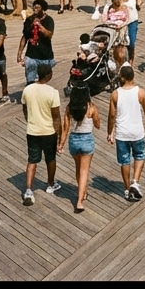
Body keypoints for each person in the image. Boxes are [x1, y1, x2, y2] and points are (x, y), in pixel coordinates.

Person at [19, 61, 62, 203]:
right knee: (50, 159)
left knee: (32, 160)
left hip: (32, 131)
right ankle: (51, 184)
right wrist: (60, 135)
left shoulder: (27, 90)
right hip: (48, 132)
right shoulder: (53, 92)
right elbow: (56, 117)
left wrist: (29, 119)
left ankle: (28, 190)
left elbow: (24, 108)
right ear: (49, 75)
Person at [107, 63, 145, 201]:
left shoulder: (115, 94)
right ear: (133, 76)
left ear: (122, 77)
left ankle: (127, 189)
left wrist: (110, 132)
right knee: (140, 155)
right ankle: (135, 182)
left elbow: (111, 116)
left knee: (124, 161)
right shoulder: (141, 92)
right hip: (137, 132)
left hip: (122, 134)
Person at [60, 83, 100, 212]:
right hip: (87, 140)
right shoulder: (91, 107)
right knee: (84, 171)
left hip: (74, 140)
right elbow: (98, 125)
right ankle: (79, 201)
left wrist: (61, 144)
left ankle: (83, 192)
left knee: (78, 169)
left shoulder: (69, 108)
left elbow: (65, 128)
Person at [18, 0, 55, 85]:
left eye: (38, 8)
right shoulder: (29, 20)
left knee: (43, 80)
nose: (35, 9)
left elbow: (49, 35)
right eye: (34, 7)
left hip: (45, 55)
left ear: (43, 9)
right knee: (30, 80)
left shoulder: (49, 20)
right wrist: (19, 53)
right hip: (31, 55)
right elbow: (25, 37)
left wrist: (40, 27)